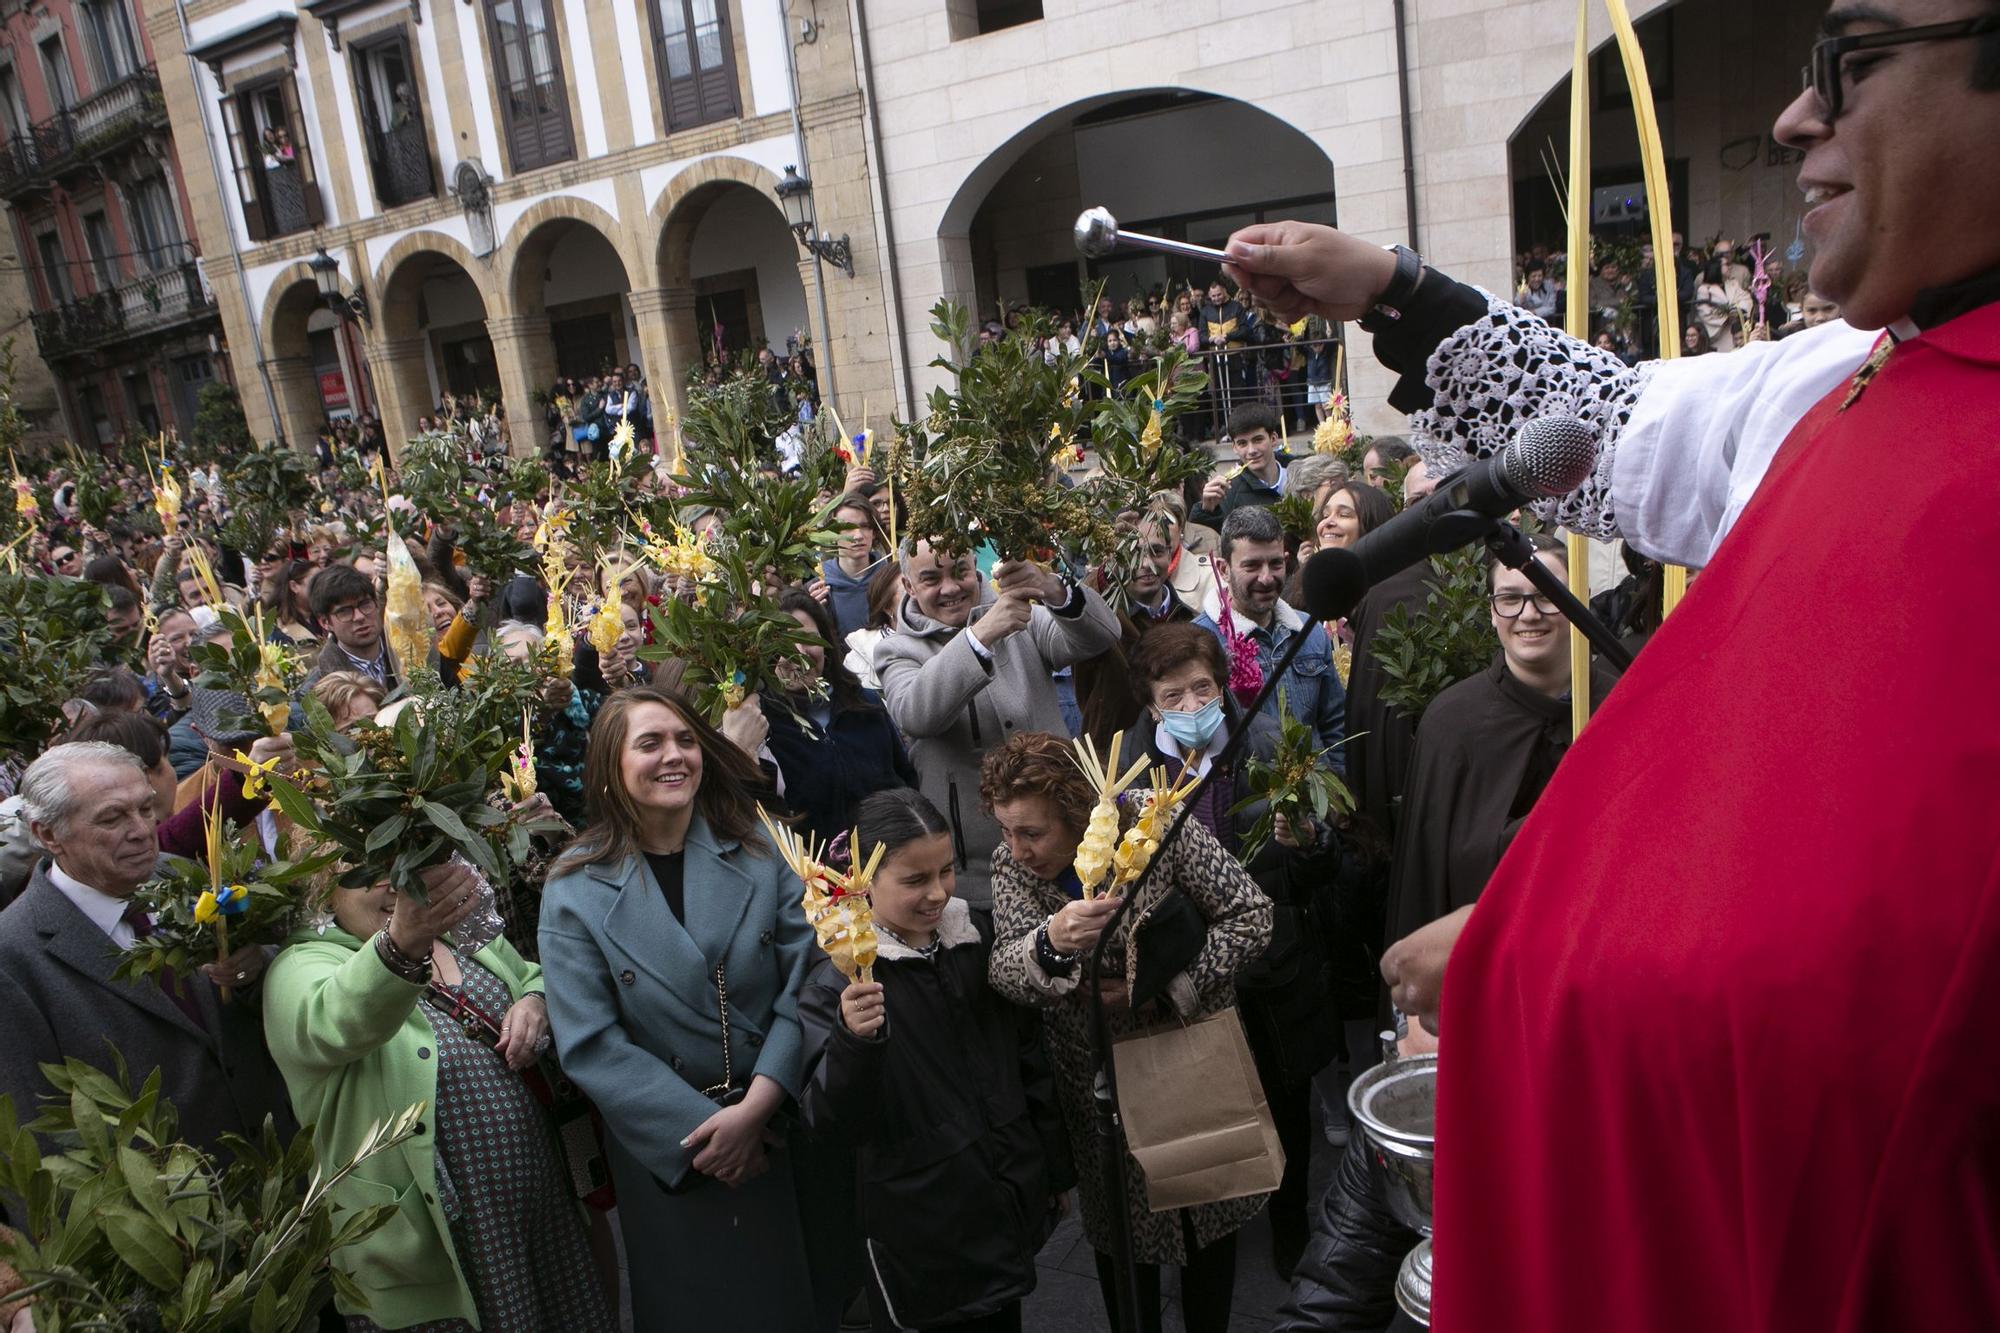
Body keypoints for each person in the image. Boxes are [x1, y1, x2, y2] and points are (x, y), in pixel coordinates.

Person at [1220, 2, 1999, 1324]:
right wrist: (1395, 294)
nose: (1798, 118)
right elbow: (1622, 429)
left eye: (1852, 64)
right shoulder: (1851, 375)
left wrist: (1542, 943)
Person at [537, 686, 835, 1332]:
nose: (674, 755)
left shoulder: (764, 844)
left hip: (777, 1126)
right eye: (650, 743)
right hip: (674, 1152)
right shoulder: (572, 887)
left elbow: (808, 977)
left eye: (685, 739)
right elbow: (591, 1043)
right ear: (611, 767)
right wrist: (711, 1132)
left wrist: (756, 1110)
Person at [981, 731, 1273, 1333]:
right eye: (1006, 831)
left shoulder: (1157, 820)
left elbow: (1252, 916)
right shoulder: (1012, 864)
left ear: (1080, 813)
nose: (1018, 849)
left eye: (1032, 832)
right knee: (1119, 1232)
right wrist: (1050, 943)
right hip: (1096, 1078)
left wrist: (1168, 988)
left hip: (1188, 1052)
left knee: (1205, 1211)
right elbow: (1005, 971)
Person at [261, 858, 611, 1332]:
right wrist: (403, 940)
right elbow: (337, 1020)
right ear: (325, 891)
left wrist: (535, 1003)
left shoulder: (454, 936)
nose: (394, 884)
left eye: (400, 864)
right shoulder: (300, 968)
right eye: (366, 871)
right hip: (445, 1243)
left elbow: (529, 974)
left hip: (540, 1214)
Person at [797, 789, 1073, 1333]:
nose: (937, 893)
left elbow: (1027, 1057)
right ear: (862, 880)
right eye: (914, 880)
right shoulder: (841, 981)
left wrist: (1051, 1169)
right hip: (921, 1226)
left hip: (1001, 1195)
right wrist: (854, 1042)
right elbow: (827, 1121)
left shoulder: (975, 940)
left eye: (945, 872)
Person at [1127, 625, 1345, 1277]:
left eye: (1204, 688)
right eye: (1175, 695)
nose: (1194, 706)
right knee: (1210, 1109)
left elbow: (1317, 875)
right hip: (1188, 974)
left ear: (1224, 686)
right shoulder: (1129, 773)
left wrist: (1308, 842)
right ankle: (1217, 1231)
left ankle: (1289, 1227)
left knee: (1285, 1105)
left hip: (1272, 969)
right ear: (1151, 705)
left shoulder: (1267, 749)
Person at [0, 743, 293, 1154]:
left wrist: (254, 969)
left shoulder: (185, 876)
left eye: (144, 808)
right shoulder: (13, 957)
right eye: (112, 818)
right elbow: (36, 1139)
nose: (141, 829)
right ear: (47, 834)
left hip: (278, 1165)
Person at [873, 542, 1120, 908]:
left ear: (976, 567)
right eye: (931, 578)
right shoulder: (896, 650)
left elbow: (1102, 635)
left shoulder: (1023, 617)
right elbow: (915, 713)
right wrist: (979, 637)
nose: (951, 587)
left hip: (1072, 851)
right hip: (978, 874)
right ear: (908, 587)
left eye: (960, 571)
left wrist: (1053, 588)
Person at [1193, 507, 1347, 767]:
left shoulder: (1308, 630)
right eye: (1251, 566)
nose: (1266, 578)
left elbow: (1335, 720)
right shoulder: (1199, 641)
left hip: (1316, 796)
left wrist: (1335, 783)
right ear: (1223, 569)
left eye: (1276, 564)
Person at [763, 588, 915, 844]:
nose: (798, 653)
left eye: (807, 638)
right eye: (783, 644)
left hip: (886, 863)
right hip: (814, 876)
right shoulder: (764, 729)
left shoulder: (865, 705)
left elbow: (905, 780)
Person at [1189, 404, 1292, 528]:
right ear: (1234, 447)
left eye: (1258, 440)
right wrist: (1206, 511)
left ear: (1273, 438)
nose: (1251, 450)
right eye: (1242, 443)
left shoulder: (1301, 473)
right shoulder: (1228, 492)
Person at [303, 563, 399, 694]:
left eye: (365, 604)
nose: (359, 617)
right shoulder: (317, 689)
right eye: (345, 611)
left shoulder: (409, 655)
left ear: (377, 604)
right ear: (325, 622)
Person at [821, 491, 888, 640]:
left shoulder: (891, 580)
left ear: (874, 532)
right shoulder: (819, 587)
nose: (858, 535)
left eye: (865, 526)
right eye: (848, 527)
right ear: (831, 534)